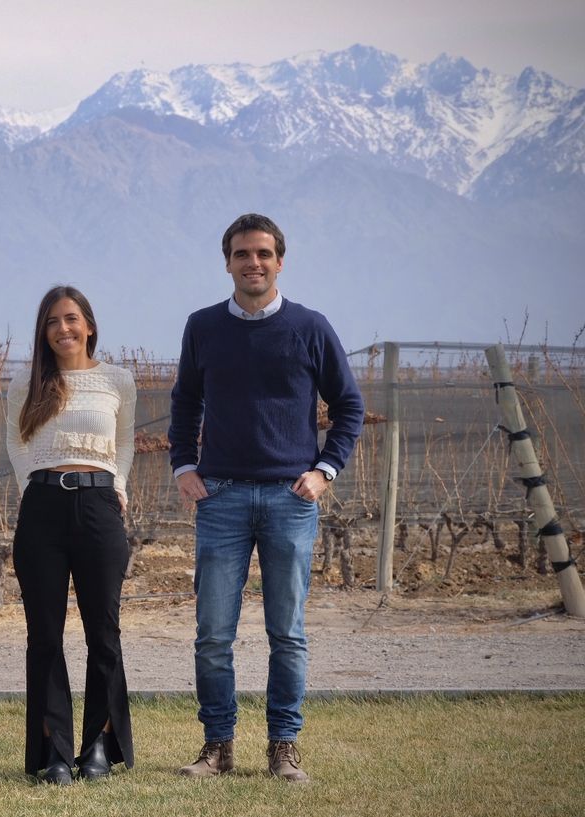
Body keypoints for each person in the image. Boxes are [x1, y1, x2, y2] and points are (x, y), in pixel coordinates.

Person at [168, 213, 364, 783]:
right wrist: (184, 465)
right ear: (226, 262)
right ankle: (217, 748)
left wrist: (326, 469)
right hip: (221, 497)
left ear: (280, 260)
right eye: (241, 254)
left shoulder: (310, 327)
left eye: (263, 254)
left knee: (288, 633)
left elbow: (348, 406)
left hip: (290, 498)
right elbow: (185, 404)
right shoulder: (202, 327)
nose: (252, 263)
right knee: (212, 635)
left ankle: (284, 748)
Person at [5, 285, 137, 785]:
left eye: (72, 318)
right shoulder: (29, 382)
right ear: (44, 331)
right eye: (53, 321)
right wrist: (31, 493)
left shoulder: (117, 381)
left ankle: (99, 744)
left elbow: (122, 441)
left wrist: (117, 484)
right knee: (45, 636)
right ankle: (54, 751)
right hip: (42, 509)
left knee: (103, 633)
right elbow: (17, 446)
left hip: (100, 506)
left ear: (89, 325)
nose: (64, 328)